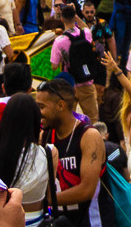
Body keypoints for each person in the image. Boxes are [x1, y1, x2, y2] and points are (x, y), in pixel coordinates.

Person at [42, 68, 108, 227]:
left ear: (60, 106)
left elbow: (87, 190)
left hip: (91, 222)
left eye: (42, 107)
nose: (39, 112)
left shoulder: (89, 136)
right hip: (59, 221)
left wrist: (48, 200)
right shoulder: (44, 136)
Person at [0, 91, 50, 221]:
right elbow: (50, 197)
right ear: (35, 120)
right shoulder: (49, 153)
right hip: (37, 221)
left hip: (2, 221)